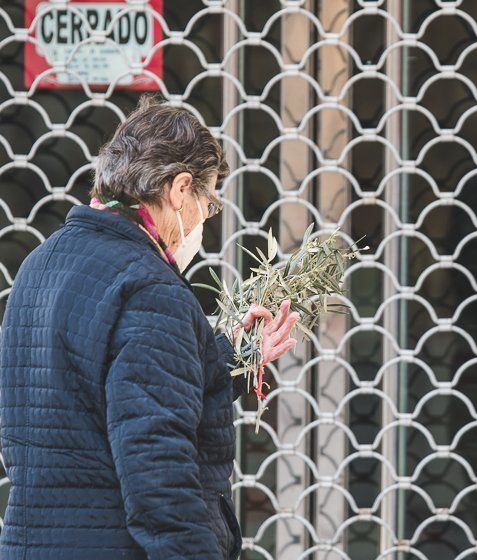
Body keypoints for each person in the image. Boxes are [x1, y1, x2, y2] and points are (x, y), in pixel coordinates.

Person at [0, 94, 298, 559]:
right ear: (180, 189)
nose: (203, 220)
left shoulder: (40, 264)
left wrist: (226, 358)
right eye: (208, 202)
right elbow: (158, 470)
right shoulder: (150, 287)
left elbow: (89, 397)